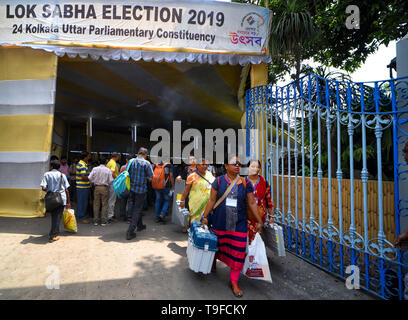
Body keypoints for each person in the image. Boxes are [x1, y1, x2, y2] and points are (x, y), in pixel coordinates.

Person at [201, 156, 263, 298]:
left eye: (239, 163)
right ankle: (213, 262)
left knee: (238, 252)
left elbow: (252, 203)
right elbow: (211, 200)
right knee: (218, 246)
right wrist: (205, 217)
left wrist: (259, 221)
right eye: (233, 163)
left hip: (239, 224)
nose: (237, 165)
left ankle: (234, 282)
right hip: (220, 222)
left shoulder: (245, 182)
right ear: (226, 166)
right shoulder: (218, 181)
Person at [180, 158, 215, 232]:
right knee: (195, 222)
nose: (204, 166)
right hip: (195, 204)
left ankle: (202, 240)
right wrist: (182, 200)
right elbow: (186, 190)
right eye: (202, 164)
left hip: (208, 203)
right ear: (197, 165)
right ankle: (193, 237)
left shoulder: (210, 175)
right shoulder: (192, 176)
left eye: (206, 164)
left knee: (205, 224)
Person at [126, 148, 153, 240]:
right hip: (141, 190)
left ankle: (140, 225)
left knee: (136, 207)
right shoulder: (146, 163)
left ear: (138, 153)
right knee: (137, 210)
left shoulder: (131, 161)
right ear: (145, 155)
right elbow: (151, 177)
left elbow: (127, 173)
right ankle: (130, 231)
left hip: (132, 189)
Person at [40, 159, 71, 242]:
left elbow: (43, 187)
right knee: (57, 217)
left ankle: (54, 232)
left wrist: (50, 190)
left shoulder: (46, 174)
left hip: (51, 198)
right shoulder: (62, 175)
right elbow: (66, 189)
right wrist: (68, 202)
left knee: (54, 216)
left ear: (51, 166)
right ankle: (53, 235)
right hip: (61, 198)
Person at [246, 159, 274, 244]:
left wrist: (271, 215)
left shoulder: (264, 182)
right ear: (248, 168)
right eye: (252, 166)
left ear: (260, 169)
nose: (255, 169)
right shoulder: (243, 181)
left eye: (257, 167)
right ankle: (247, 254)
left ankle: (255, 255)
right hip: (246, 214)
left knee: (257, 235)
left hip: (260, 214)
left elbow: (268, 200)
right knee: (247, 235)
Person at [88, 158, 114, 226]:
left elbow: (89, 178)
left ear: (99, 162)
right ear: (106, 162)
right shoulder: (108, 170)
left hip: (96, 187)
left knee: (96, 204)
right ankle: (103, 221)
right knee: (104, 204)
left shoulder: (94, 169)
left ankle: (95, 221)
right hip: (104, 188)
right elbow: (111, 180)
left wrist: (93, 182)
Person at [75, 151, 91, 224]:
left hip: (81, 186)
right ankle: (81, 217)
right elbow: (84, 176)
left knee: (81, 202)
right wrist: (91, 178)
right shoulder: (82, 165)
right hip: (82, 186)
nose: (89, 158)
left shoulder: (81, 164)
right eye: (88, 156)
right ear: (85, 157)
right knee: (83, 202)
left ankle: (79, 216)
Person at [106, 152, 120, 223]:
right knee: (112, 200)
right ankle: (110, 216)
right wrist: (117, 178)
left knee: (109, 199)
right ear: (116, 157)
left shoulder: (109, 162)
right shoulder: (113, 163)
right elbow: (112, 172)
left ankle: (108, 214)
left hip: (108, 183)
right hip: (112, 183)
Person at [119, 154, 133, 222]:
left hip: (123, 186)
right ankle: (129, 218)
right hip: (130, 186)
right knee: (130, 202)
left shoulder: (122, 167)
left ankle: (122, 216)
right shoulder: (133, 167)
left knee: (122, 202)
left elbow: (120, 176)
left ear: (126, 160)